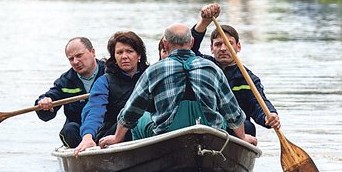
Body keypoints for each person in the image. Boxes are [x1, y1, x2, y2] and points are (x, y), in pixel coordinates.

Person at [97, 24, 257, 149]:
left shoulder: (154, 71)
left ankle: (143, 156)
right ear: (192, 42)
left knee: (142, 118)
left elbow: (131, 111)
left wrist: (117, 138)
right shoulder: (212, 68)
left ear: (165, 44)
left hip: (168, 133)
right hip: (209, 132)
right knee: (220, 117)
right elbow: (232, 111)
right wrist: (242, 138)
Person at [191, 3, 280, 137]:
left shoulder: (248, 79)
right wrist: (204, 22)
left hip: (236, 130)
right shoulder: (203, 66)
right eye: (218, 44)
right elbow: (188, 49)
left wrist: (270, 116)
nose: (223, 48)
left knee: (249, 128)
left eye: (229, 44)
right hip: (206, 125)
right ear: (211, 48)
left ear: (238, 47)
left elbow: (258, 104)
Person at [73, 31, 149, 155]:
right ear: (114, 57)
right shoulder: (104, 81)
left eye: (129, 51)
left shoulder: (150, 76)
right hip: (112, 133)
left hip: (145, 129)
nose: (124, 56)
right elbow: (94, 110)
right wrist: (88, 137)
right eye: (119, 52)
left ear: (139, 55)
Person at [35, 37, 106, 148]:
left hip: (107, 127)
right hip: (78, 131)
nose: (75, 62)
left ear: (93, 52)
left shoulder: (110, 72)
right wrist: (44, 102)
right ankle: (83, 153)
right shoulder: (66, 81)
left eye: (79, 56)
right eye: (71, 59)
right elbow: (47, 108)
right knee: (68, 130)